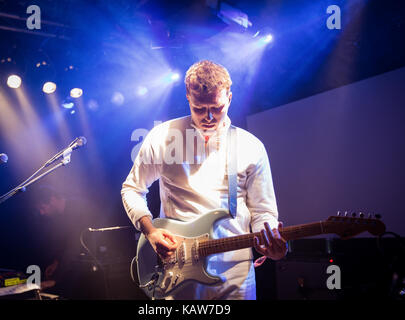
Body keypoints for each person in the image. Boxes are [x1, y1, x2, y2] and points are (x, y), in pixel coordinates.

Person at [121, 60, 287, 300]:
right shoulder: (163, 137)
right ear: (188, 97)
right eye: (199, 108)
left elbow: (263, 212)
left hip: (236, 274)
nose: (209, 117)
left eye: (217, 108)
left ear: (229, 98)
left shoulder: (251, 147)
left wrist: (269, 241)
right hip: (177, 272)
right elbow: (132, 189)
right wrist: (151, 231)